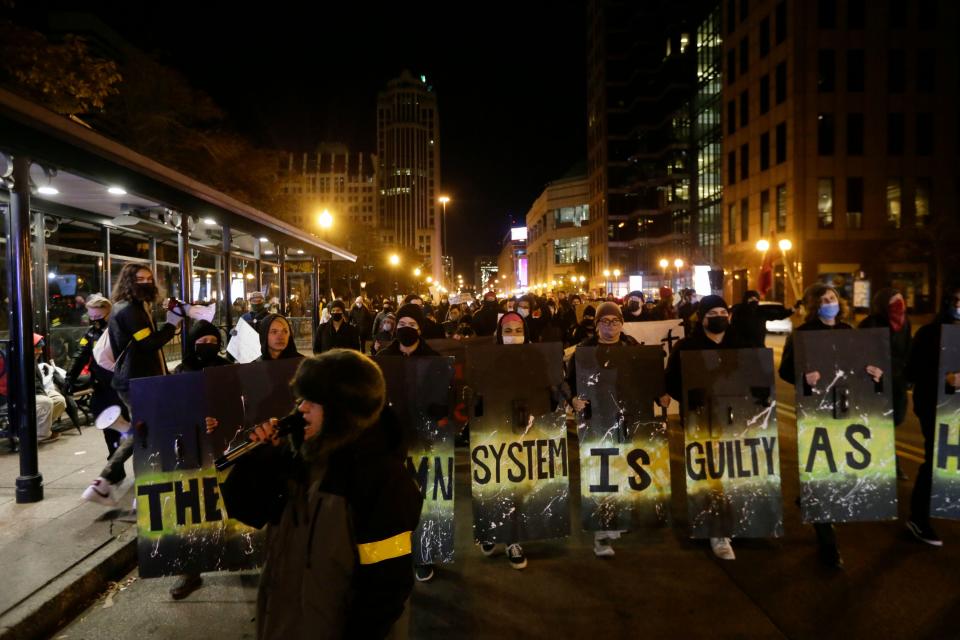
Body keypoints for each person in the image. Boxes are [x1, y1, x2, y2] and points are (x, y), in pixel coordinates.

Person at [221, 350, 422, 639]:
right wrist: (264, 455)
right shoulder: (300, 456)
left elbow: (387, 585)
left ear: (344, 410)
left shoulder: (381, 478)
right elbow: (245, 508)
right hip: (283, 623)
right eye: (301, 399)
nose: (301, 408)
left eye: (313, 401)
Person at [777, 284, 870, 569]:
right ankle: (827, 542)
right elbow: (785, 370)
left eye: (832, 298)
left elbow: (859, 365)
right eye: (823, 300)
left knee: (838, 466)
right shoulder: (803, 335)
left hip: (844, 408)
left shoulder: (847, 332)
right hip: (816, 410)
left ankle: (811, 501)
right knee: (820, 468)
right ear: (814, 306)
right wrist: (805, 377)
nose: (829, 303)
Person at [82, 264, 182, 506]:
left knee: (142, 432)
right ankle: (136, 489)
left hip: (137, 380)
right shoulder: (129, 310)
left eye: (149, 279)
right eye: (140, 279)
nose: (146, 283)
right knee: (145, 434)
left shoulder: (130, 306)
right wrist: (173, 323)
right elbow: (149, 344)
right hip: (137, 381)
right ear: (129, 281)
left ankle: (107, 484)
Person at [664, 295, 745, 560]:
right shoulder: (687, 347)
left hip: (735, 420)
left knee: (733, 472)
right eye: (713, 312)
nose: (720, 316)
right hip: (700, 419)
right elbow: (672, 381)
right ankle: (715, 531)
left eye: (724, 311)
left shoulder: (741, 344)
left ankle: (735, 522)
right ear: (702, 317)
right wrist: (689, 399)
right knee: (708, 473)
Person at [565, 301, 641, 557]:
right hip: (596, 417)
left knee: (623, 469)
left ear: (622, 323)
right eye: (604, 321)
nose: (610, 326)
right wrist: (573, 399)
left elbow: (645, 377)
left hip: (625, 417)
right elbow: (570, 382)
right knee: (599, 473)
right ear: (596, 325)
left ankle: (619, 522)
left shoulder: (632, 347)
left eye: (615, 321)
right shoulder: (584, 350)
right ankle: (601, 534)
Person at [168, 319, 230, 600]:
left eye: (212, 342)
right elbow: (172, 413)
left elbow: (239, 403)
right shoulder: (181, 372)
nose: (208, 347)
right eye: (202, 342)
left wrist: (222, 420)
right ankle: (190, 570)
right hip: (192, 450)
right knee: (191, 511)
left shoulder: (228, 368)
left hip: (225, 448)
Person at [475, 311, 533, 569]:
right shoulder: (487, 358)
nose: (513, 335)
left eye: (518, 330)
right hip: (494, 427)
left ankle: (512, 539)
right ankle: (489, 529)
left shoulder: (536, 357)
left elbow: (552, 383)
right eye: (507, 331)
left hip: (525, 430)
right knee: (491, 482)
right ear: (499, 333)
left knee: (518, 486)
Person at [904, 286, 960, 547]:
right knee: (936, 458)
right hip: (935, 406)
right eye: (958, 300)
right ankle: (918, 518)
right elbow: (912, 372)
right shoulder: (929, 334)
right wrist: (944, 378)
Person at [858, 288, 912, 481]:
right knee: (880, 423)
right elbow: (859, 353)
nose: (899, 304)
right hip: (875, 382)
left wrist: (908, 377)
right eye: (893, 301)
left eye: (900, 299)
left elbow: (907, 351)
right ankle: (889, 463)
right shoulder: (870, 324)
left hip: (897, 381)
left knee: (895, 420)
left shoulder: (905, 323)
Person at [64, 294, 125, 460]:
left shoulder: (118, 332)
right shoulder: (91, 334)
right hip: (101, 386)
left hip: (120, 385)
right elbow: (80, 355)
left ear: (108, 314)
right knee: (108, 425)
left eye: (98, 317)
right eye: (91, 317)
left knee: (125, 423)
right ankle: (115, 458)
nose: (94, 320)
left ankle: (125, 455)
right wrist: (70, 378)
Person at [730, 290, 795, 348]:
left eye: (756, 299)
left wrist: (792, 309)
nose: (754, 301)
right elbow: (732, 327)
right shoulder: (738, 311)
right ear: (745, 299)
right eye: (751, 298)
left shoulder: (761, 311)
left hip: (759, 348)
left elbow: (778, 315)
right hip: (742, 349)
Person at [34, 334, 67, 443]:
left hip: (37, 392)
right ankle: (41, 436)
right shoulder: (19, 361)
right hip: (24, 395)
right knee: (46, 402)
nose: (40, 351)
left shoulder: (33, 361)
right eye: (37, 348)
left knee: (59, 400)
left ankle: (41, 428)